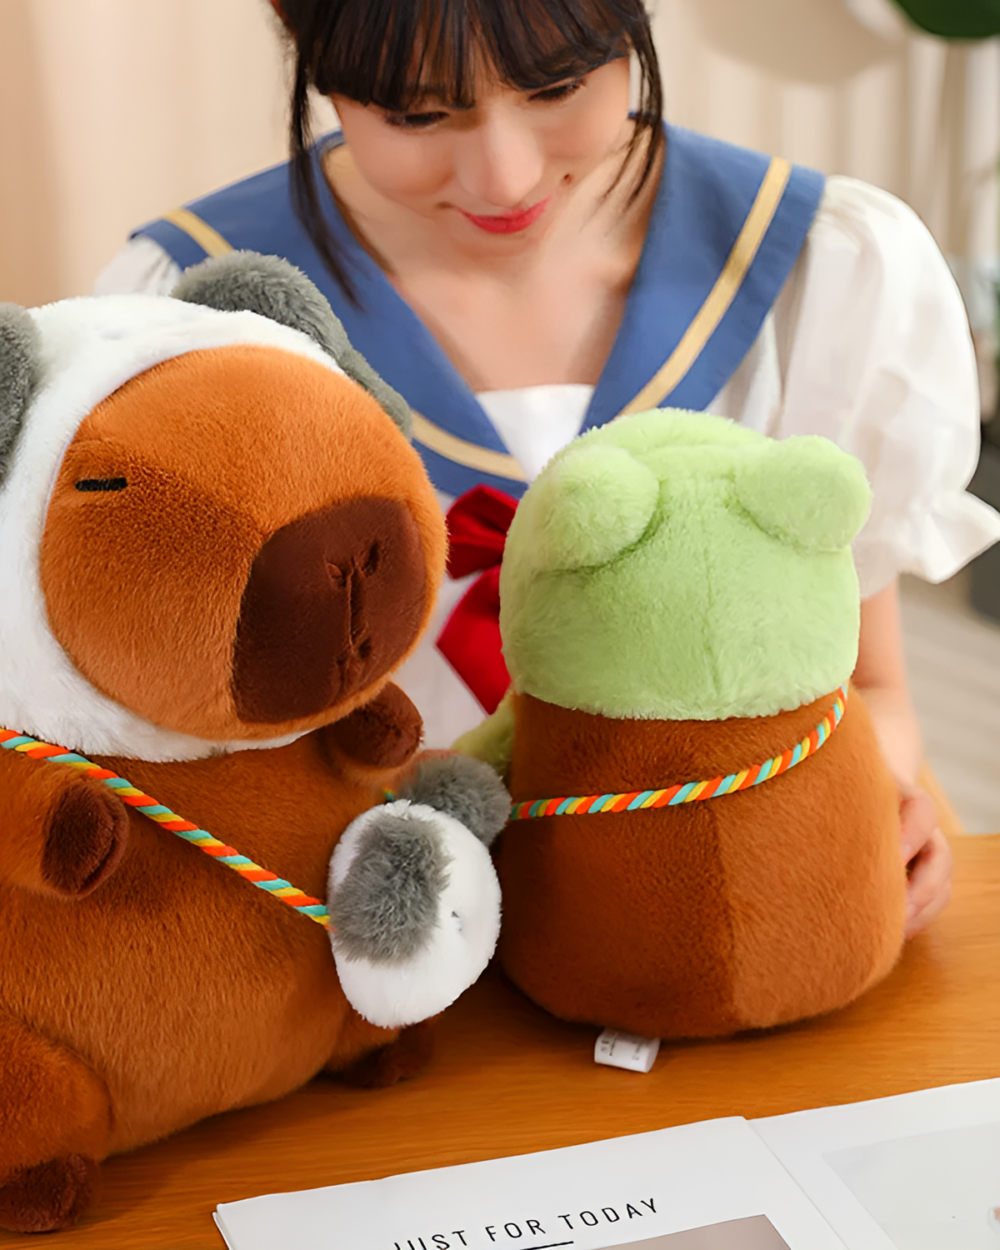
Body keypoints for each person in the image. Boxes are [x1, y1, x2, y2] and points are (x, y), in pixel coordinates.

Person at [95, 0, 1000, 938]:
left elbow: (870, 688)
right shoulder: (189, 317)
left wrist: (879, 803)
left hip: (710, 916)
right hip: (361, 932)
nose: (505, 176)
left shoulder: (821, 270)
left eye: (558, 85)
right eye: (416, 114)